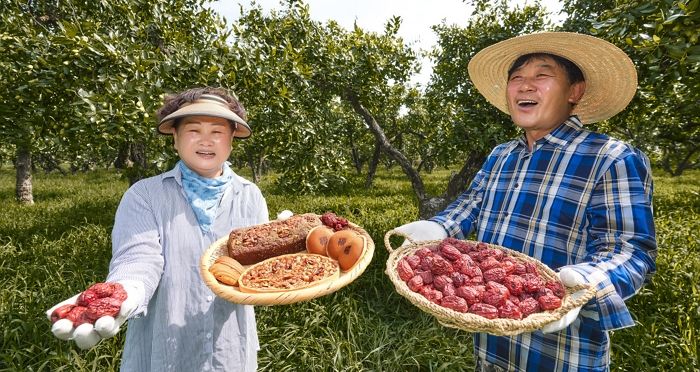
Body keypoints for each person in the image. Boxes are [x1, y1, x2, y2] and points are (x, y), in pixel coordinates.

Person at [394, 32, 656, 371]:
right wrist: (438, 226)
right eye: (516, 78)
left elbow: (632, 250)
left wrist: (587, 279)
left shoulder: (610, 158)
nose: (525, 86)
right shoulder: (502, 155)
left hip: (561, 352)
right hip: (492, 343)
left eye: (541, 76)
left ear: (574, 92)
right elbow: (473, 202)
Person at [47, 87, 268, 371]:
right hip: (165, 351)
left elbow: (256, 269)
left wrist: (290, 243)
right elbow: (139, 258)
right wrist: (127, 290)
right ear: (174, 138)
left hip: (229, 351)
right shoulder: (145, 195)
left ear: (231, 140)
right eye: (193, 130)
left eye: (217, 131)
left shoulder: (251, 196)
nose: (205, 140)